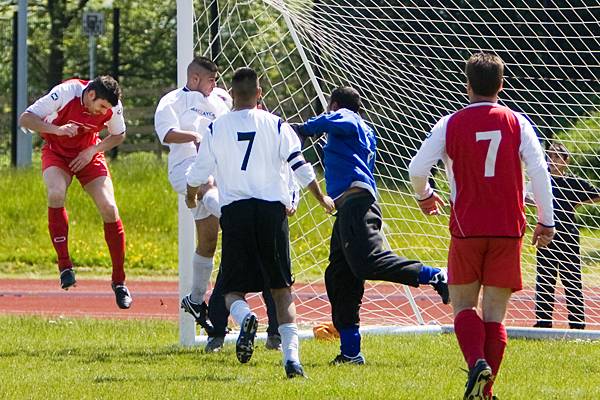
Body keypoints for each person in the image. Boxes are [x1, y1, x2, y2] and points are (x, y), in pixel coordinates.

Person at [409, 52, 555, 400]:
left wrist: (425, 195)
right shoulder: (518, 122)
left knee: (462, 307)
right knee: (495, 315)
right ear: (501, 85)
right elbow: (539, 172)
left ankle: (476, 363)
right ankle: (486, 392)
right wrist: (546, 220)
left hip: (467, 227)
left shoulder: (449, 123)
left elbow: (417, 169)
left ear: (468, 84)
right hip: (508, 229)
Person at [186, 67, 335, 378]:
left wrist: (191, 195)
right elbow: (300, 165)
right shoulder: (277, 124)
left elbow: (198, 173)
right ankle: (291, 359)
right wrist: (321, 198)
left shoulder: (217, 128)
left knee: (231, 289)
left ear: (231, 95)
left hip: (236, 213)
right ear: (259, 93)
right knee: (282, 290)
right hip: (271, 213)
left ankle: (244, 317)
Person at [292, 87, 449, 367]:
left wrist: (301, 130)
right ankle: (351, 353)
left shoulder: (346, 117)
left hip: (356, 206)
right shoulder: (365, 129)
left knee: (368, 263)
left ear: (336, 105)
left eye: (331, 107)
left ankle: (436, 276)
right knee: (340, 276)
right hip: (349, 210)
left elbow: (330, 121)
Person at [154, 56, 281, 352]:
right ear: (196, 79)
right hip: (186, 168)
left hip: (221, 168)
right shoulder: (172, 101)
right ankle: (237, 220)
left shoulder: (221, 97)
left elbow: (241, 117)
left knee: (208, 241)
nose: (216, 85)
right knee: (209, 189)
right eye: (211, 80)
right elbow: (166, 135)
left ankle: (196, 300)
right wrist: (196, 136)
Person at [19, 76, 132, 309]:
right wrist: (57, 130)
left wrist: (94, 150)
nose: (103, 113)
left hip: (88, 154)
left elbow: (119, 134)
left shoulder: (113, 107)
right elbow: (26, 118)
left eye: (107, 109)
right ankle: (65, 266)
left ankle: (119, 282)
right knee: (56, 194)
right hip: (56, 152)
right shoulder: (66, 92)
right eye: (101, 106)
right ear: (91, 95)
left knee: (110, 208)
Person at [530, 142, 600, 330]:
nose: (552, 160)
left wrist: (577, 204)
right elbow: (526, 196)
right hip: (545, 235)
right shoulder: (542, 180)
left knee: (572, 278)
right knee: (545, 277)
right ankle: (543, 322)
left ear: (566, 161)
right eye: (550, 156)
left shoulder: (573, 181)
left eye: (557, 157)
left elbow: (596, 194)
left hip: (568, 235)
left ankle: (577, 323)